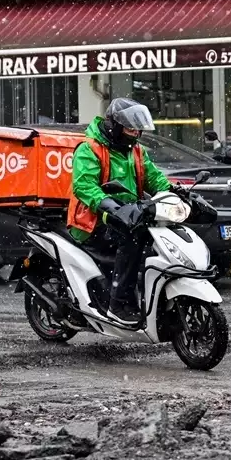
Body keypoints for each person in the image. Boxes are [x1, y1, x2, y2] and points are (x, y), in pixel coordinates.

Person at [67, 98, 172, 323]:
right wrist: (111, 206)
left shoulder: (136, 151)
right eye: (130, 128)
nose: (135, 133)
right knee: (133, 238)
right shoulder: (89, 149)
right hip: (94, 220)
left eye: (137, 129)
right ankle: (119, 303)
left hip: (129, 214)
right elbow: (84, 186)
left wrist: (174, 192)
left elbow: (154, 178)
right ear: (114, 126)